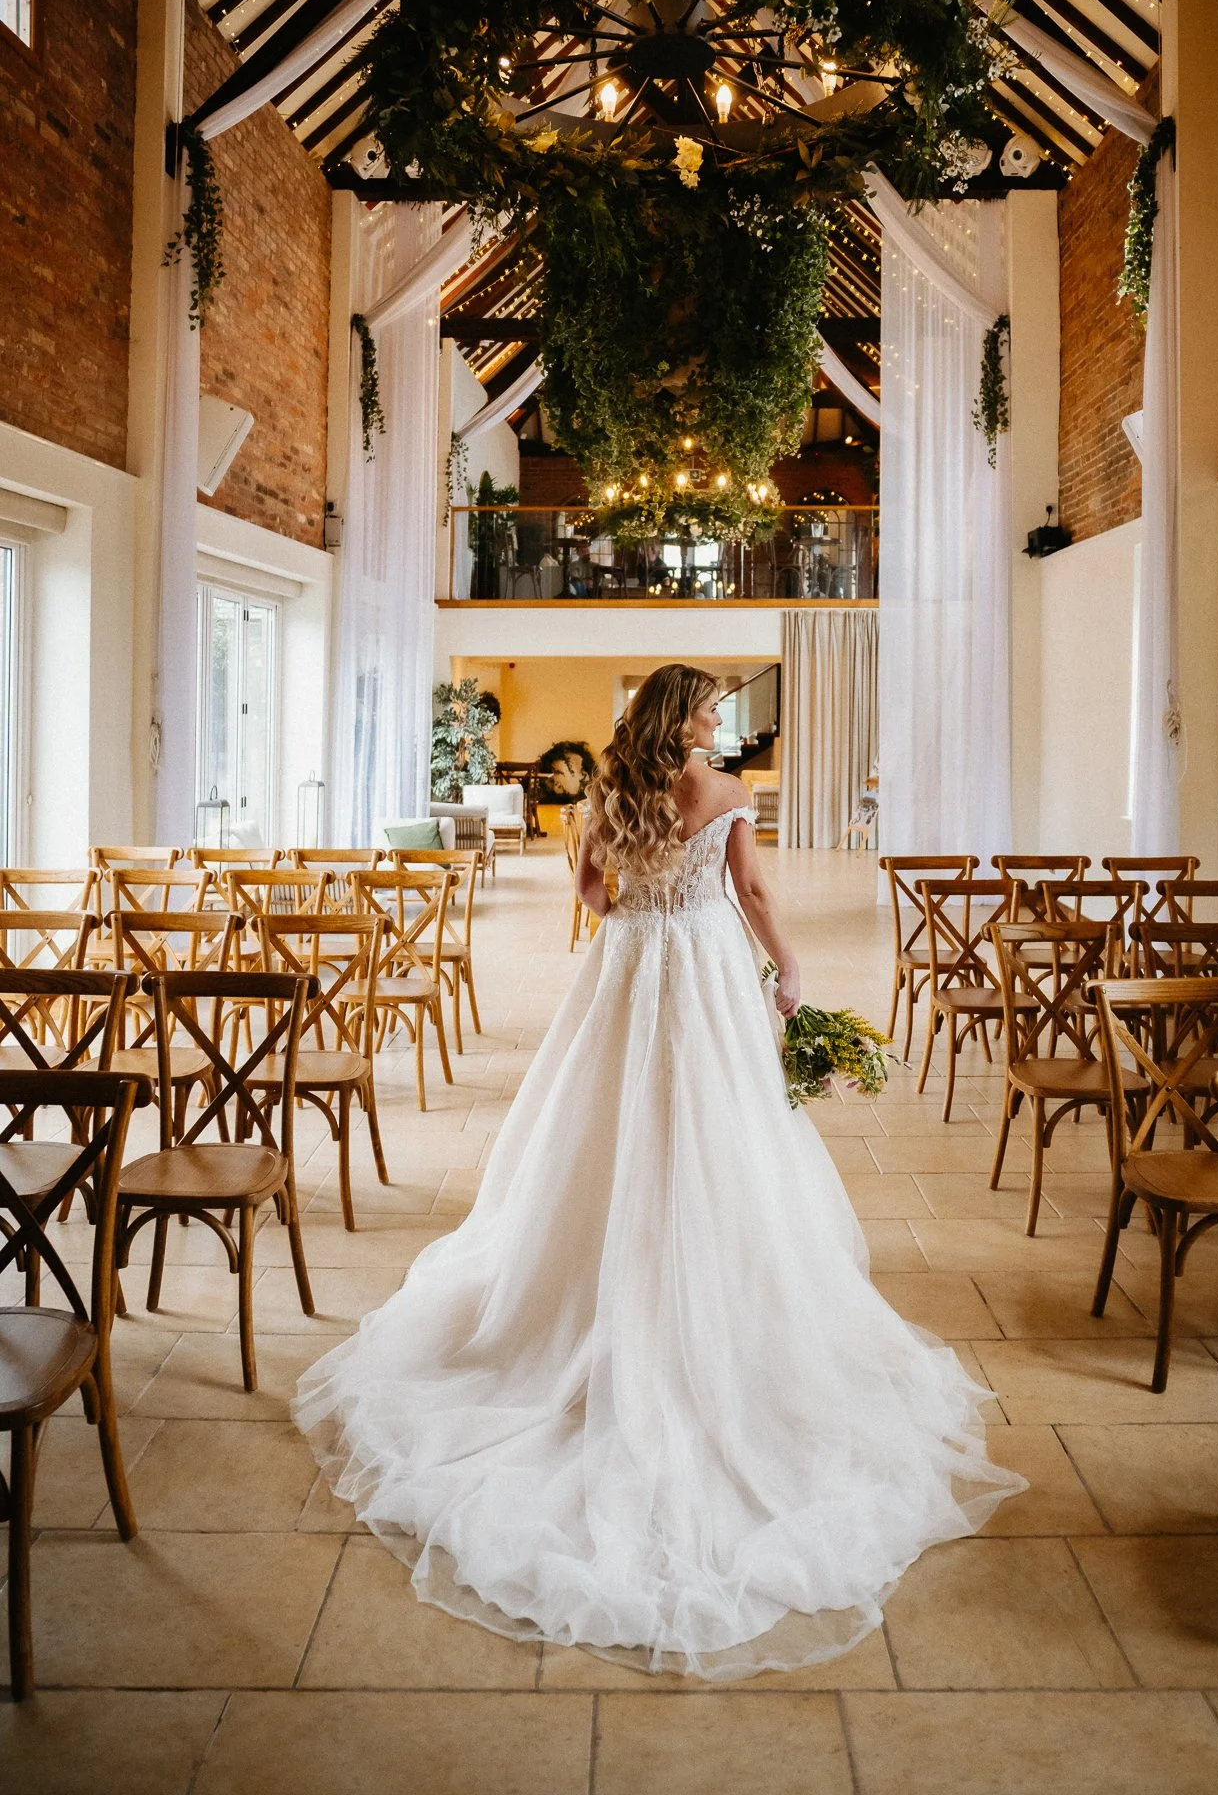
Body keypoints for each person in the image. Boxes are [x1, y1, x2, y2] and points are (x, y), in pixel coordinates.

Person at [294, 664, 1022, 1679]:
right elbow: (753, 888)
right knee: (717, 1126)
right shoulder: (726, 795)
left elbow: (588, 892)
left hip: (631, 962)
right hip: (709, 965)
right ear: (685, 717)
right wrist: (790, 966)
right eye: (714, 708)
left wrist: (634, 894)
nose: (722, 720)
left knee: (605, 1122)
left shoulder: (610, 789)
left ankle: (591, 1285)